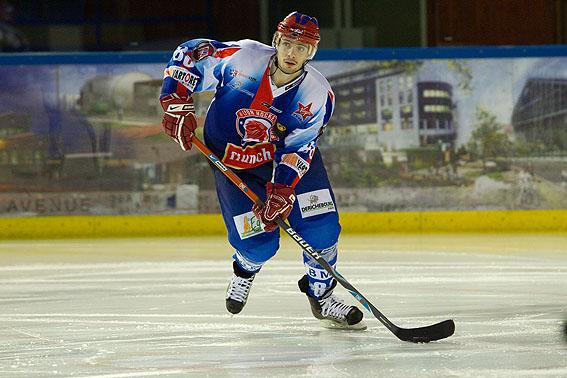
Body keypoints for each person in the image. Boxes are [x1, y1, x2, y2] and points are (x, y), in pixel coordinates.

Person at [159, 11, 365, 330]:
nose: (292, 54)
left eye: (303, 48)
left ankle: (322, 296)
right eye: (287, 44)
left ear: (312, 53)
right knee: (257, 244)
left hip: (285, 160)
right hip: (234, 162)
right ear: (276, 42)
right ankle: (244, 271)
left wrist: (282, 189)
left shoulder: (317, 94)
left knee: (321, 228)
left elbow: (299, 147)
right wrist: (175, 100)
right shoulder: (244, 59)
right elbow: (191, 52)